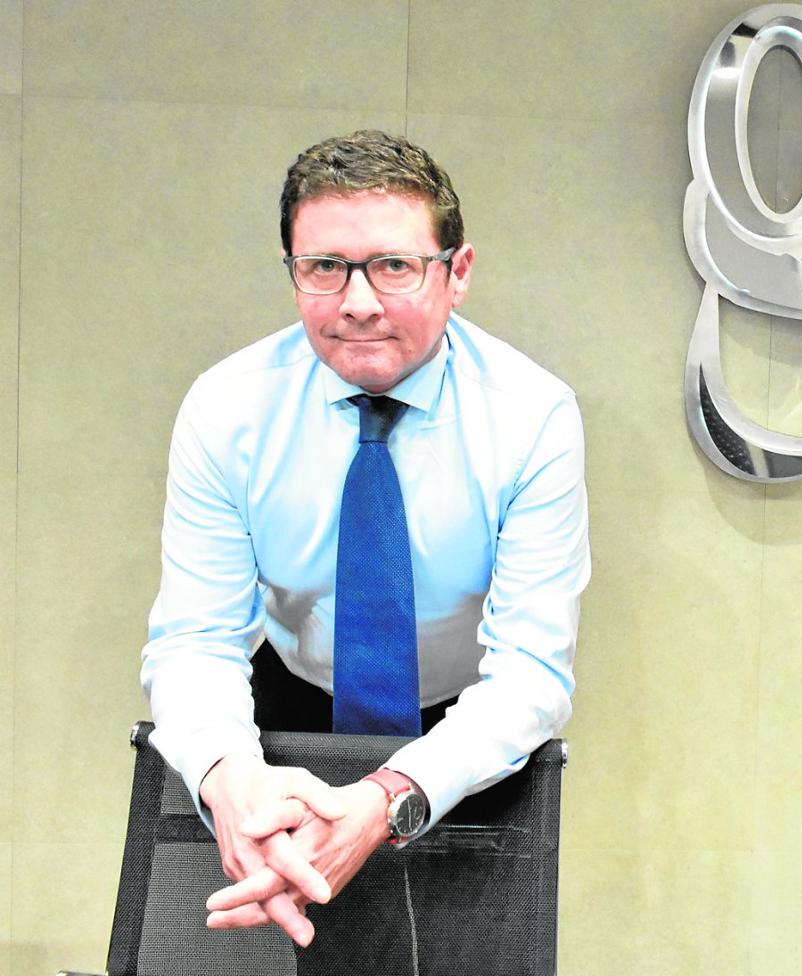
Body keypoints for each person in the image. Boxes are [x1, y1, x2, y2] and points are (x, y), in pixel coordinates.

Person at [140, 130, 590, 953]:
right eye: (324, 267)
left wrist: (389, 798)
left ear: (457, 272)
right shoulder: (227, 409)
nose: (358, 302)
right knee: (274, 952)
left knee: (450, 961)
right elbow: (195, 641)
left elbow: (531, 669)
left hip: (466, 724)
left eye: (393, 265)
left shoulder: (532, 418)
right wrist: (230, 781)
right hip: (287, 714)